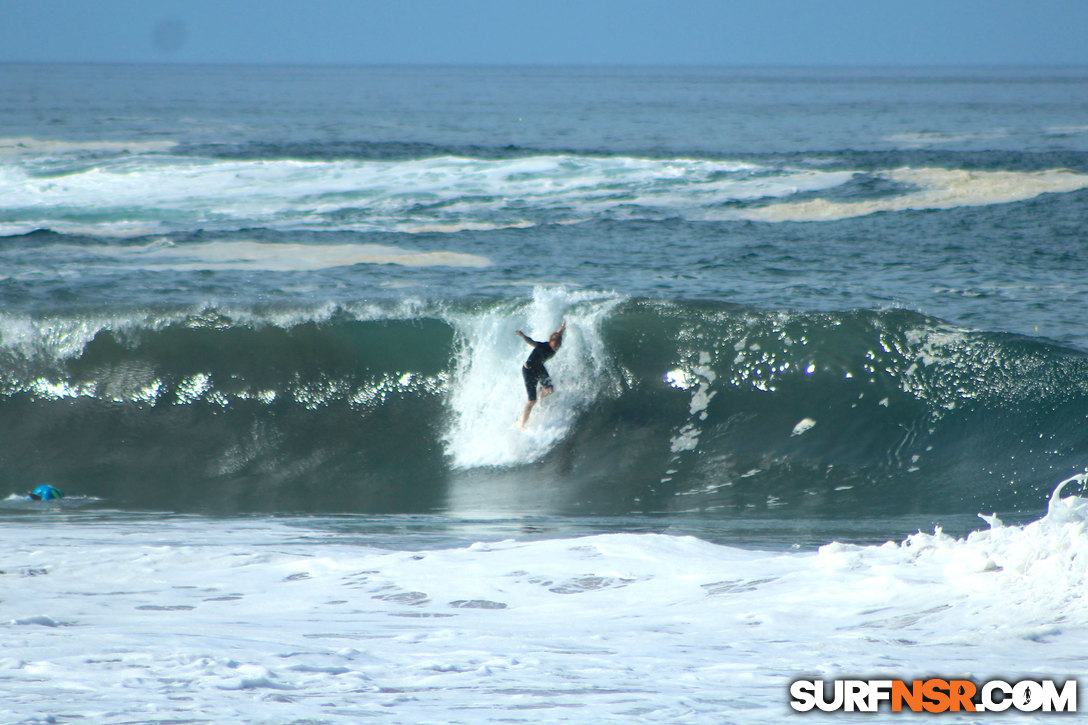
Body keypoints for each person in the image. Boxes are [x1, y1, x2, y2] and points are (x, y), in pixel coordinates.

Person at [515, 320, 566, 429]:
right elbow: (531, 342)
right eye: (556, 344)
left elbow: (559, 333)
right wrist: (523, 336)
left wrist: (563, 326)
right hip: (529, 370)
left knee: (550, 390)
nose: (557, 346)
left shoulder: (554, 344)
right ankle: (522, 425)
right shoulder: (542, 346)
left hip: (539, 368)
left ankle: (538, 395)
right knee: (531, 400)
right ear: (551, 341)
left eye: (559, 344)